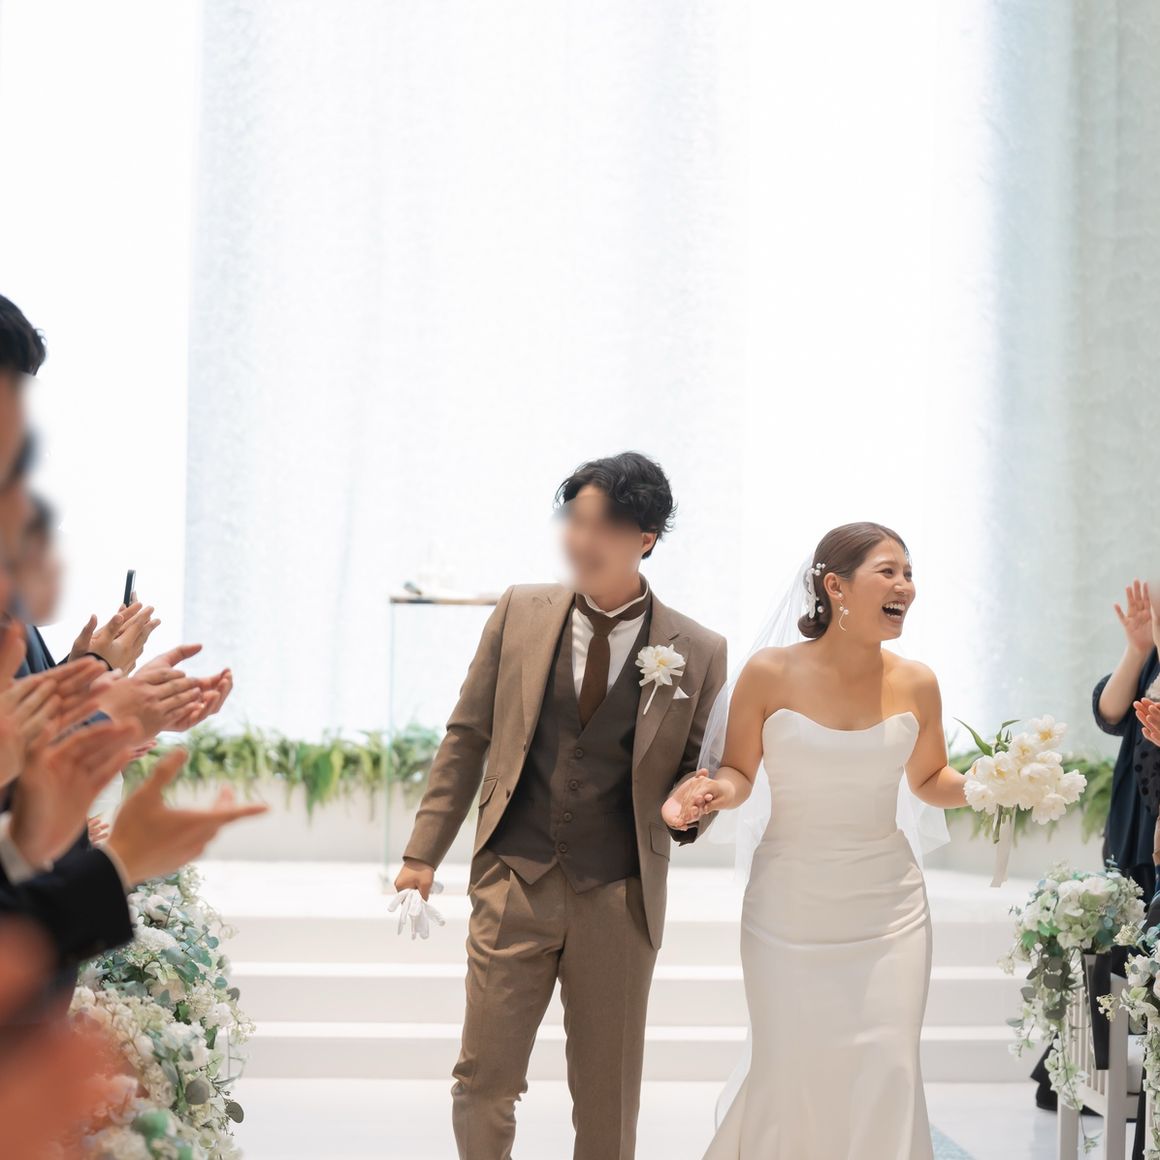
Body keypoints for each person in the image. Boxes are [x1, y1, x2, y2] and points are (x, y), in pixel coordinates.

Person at [395, 451, 727, 1160]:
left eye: (603, 524)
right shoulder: (520, 611)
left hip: (620, 896)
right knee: (483, 1081)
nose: (582, 538)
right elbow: (468, 736)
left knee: (609, 1096)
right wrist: (422, 854)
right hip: (514, 880)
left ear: (646, 538)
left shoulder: (698, 649)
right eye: (574, 519)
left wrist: (691, 809)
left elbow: (697, 773)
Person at [664, 522, 966, 1160]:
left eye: (909, 574)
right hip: (789, 908)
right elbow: (738, 772)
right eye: (888, 572)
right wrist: (713, 792)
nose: (905, 587)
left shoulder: (918, 682)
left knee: (889, 1066)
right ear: (836, 586)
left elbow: (931, 780)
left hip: (890, 911)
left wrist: (999, 784)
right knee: (792, 1065)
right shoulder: (769, 672)